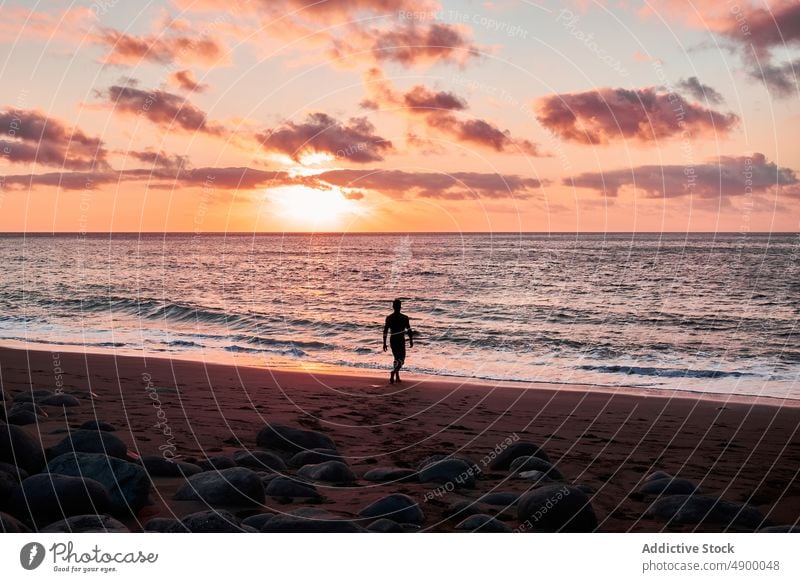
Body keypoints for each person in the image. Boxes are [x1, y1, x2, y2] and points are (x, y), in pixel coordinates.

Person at [383, 299, 413, 384]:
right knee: (402, 359)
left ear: (393, 307)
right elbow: (409, 330)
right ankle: (394, 371)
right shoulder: (404, 318)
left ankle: (397, 376)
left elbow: (385, 331)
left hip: (393, 339)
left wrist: (384, 343)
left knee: (396, 358)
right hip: (400, 339)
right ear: (400, 307)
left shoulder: (389, 318)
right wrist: (411, 340)